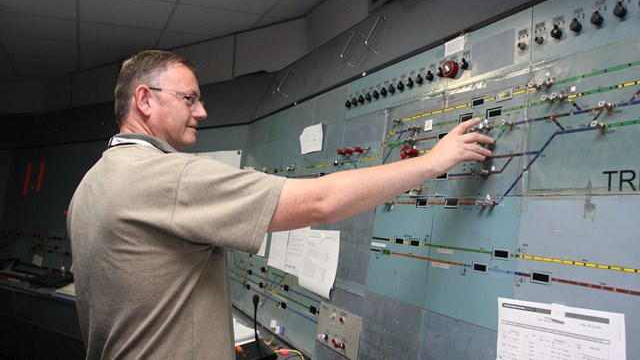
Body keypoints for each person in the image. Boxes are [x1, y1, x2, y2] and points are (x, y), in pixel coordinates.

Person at [67, 50, 493, 359]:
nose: (202, 112)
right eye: (189, 99)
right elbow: (321, 202)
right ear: (145, 99)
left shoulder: (91, 183)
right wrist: (434, 162)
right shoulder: (166, 175)